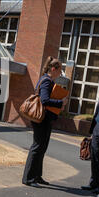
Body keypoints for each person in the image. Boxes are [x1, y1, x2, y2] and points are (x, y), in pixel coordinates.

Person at [22, 56, 68, 187]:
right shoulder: (47, 81)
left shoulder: (45, 80)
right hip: (42, 118)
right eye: (59, 71)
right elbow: (44, 100)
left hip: (45, 118)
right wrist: (61, 102)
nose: (60, 74)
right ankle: (28, 178)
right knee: (37, 147)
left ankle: (37, 176)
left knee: (42, 147)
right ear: (53, 69)